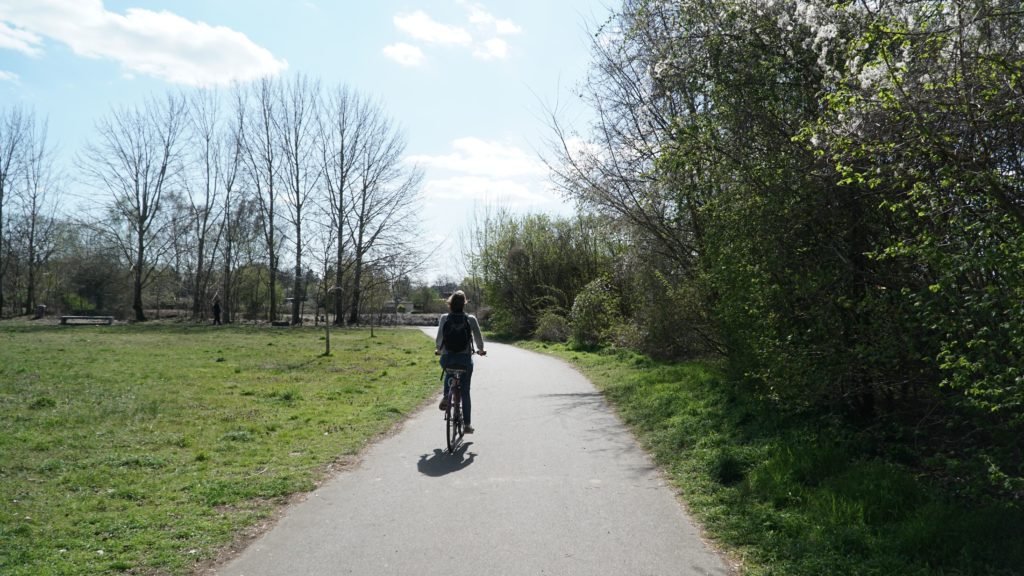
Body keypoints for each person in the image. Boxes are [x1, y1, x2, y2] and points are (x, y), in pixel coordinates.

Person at [435, 290, 486, 434]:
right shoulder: (470, 319)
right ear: (464, 303)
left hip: (447, 358)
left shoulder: (445, 318)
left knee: (448, 372)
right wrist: (480, 350)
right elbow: (477, 337)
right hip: (464, 359)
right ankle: (467, 425)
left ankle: (446, 396)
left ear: (450, 303)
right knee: (465, 391)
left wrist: (439, 349)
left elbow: (439, 339)